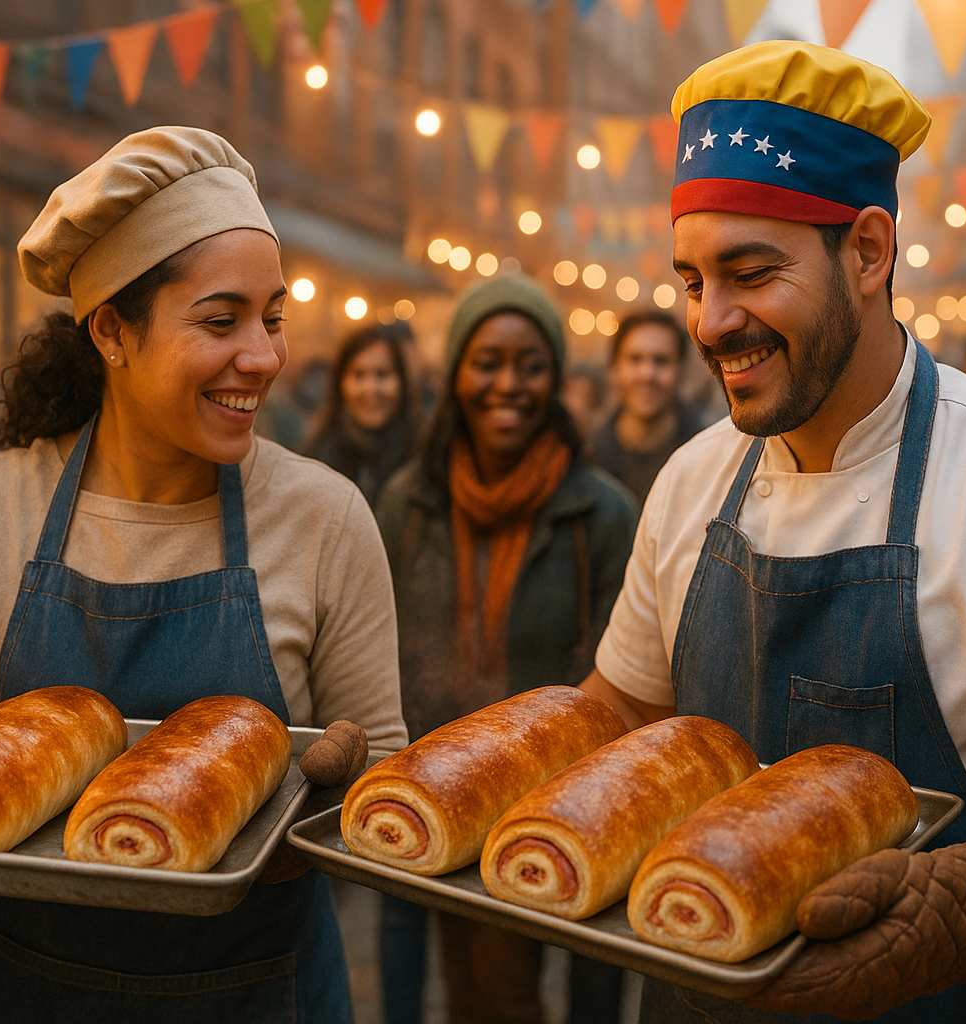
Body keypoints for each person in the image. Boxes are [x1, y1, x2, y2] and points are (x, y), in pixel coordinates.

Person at [0, 127, 407, 1022]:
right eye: (221, 321)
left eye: (273, 318)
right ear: (112, 332)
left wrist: (320, 816)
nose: (265, 356)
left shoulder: (325, 517)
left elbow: (381, 773)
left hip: (261, 991)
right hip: (29, 992)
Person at [577, 42, 966, 1023]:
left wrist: (963, 913)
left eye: (750, 272)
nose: (709, 321)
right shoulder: (690, 481)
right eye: (690, 280)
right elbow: (622, 714)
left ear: (868, 251)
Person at [373, 275, 638, 1024]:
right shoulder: (406, 501)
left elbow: (623, 667)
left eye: (531, 365)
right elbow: (382, 642)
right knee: (462, 982)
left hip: (554, 790)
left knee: (509, 990)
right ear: (456, 372)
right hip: (429, 776)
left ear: (555, 379)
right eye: (487, 362)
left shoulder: (604, 512)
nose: (508, 385)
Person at [591, 311, 708, 504]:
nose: (647, 374)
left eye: (661, 361)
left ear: (681, 369)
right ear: (614, 368)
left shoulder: (708, 454)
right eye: (635, 359)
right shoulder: (590, 456)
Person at [303, 322, 419, 506]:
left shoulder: (425, 457)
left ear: (402, 382)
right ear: (340, 383)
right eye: (359, 375)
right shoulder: (314, 460)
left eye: (382, 374)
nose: (371, 388)